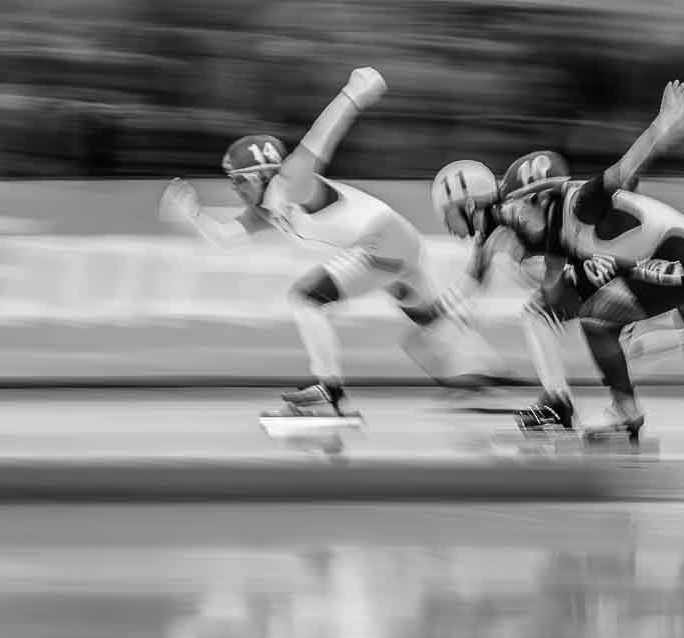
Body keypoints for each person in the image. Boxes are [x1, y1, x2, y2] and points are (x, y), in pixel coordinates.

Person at [437, 83, 684, 442]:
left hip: (676, 258)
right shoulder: (545, 224)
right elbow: (546, 282)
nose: (518, 217)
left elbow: (625, 171)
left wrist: (662, 127)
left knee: (596, 320)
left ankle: (624, 411)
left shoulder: (578, 203)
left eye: (522, 206)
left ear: (540, 198)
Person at [159, 66, 487, 420]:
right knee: (427, 317)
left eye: (238, 181)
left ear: (261, 175)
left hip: (383, 243)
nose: (234, 189)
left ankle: (329, 390)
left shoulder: (292, 181)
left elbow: (321, 137)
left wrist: (355, 92)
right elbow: (224, 238)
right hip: (397, 243)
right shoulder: (265, 212)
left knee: (306, 298)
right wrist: (192, 216)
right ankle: (484, 374)